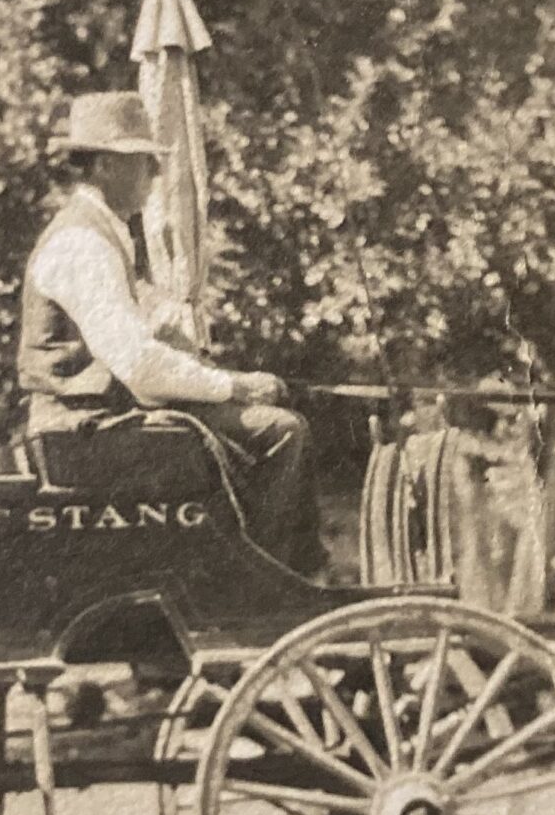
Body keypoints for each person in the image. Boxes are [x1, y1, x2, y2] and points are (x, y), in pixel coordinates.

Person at [18, 90, 326, 575]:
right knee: (281, 432)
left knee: (256, 423)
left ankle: (260, 576)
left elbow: (133, 340)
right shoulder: (81, 242)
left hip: (90, 424)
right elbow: (139, 367)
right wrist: (233, 385)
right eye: (144, 162)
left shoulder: (101, 231)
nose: (156, 175)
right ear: (105, 166)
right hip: (84, 432)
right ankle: (266, 587)